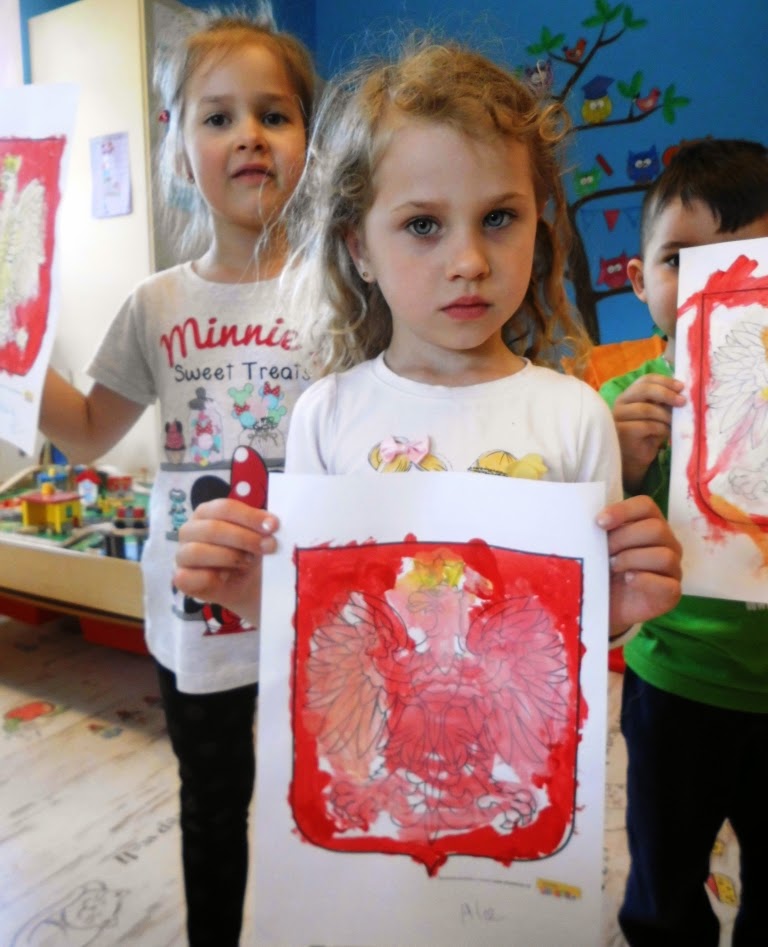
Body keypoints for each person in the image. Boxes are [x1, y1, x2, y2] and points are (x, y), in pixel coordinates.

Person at [173, 40, 682, 664]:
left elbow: (575, 630)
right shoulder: (326, 415)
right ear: (360, 248)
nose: (468, 262)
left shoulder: (577, 415)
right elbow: (317, 621)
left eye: (499, 218)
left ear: (538, 226)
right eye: (422, 225)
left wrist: (617, 607)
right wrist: (250, 592)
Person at [38, 9, 317, 945]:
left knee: (318, 800)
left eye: (274, 114)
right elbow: (87, 433)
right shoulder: (154, 303)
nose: (249, 136)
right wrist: (16, 360)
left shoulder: (348, 288)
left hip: (315, 602)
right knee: (212, 803)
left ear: (309, 140)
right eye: (219, 116)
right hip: (196, 615)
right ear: (178, 147)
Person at [599, 138, 768, 946]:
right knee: (663, 877)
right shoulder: (620, 405)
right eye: (682, 261)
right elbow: (587, 541)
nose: (719, 283)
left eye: (752, 260)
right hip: (675, 682)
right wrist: (623, 460)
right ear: (640, 281)